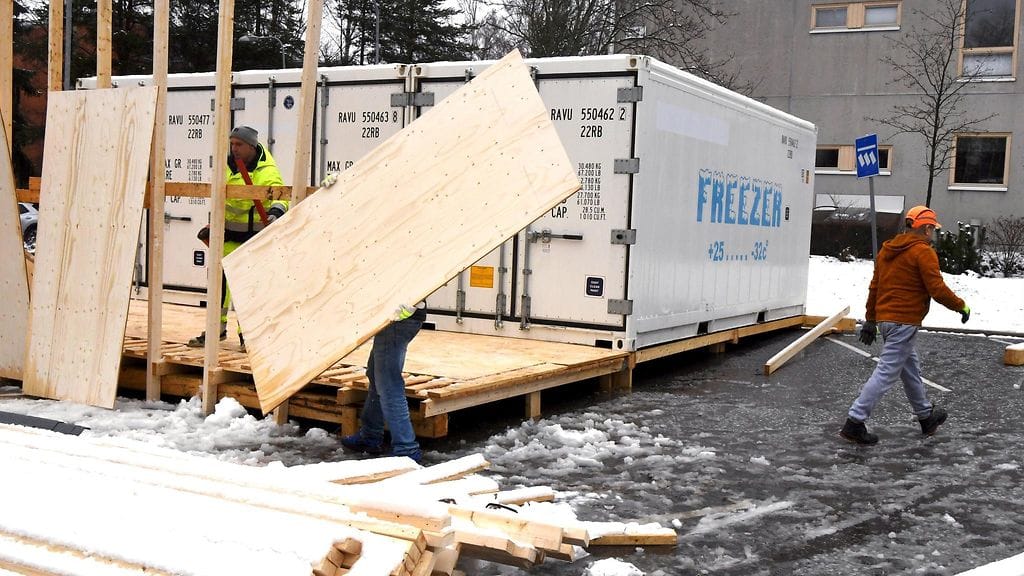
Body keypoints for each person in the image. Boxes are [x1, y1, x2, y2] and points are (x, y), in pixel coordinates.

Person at [840, 205, 970, 445]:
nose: (932, 234)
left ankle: (926, 417)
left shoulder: (888, 251)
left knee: (910, 370)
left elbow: (874, 287)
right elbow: (937, 289)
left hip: (887, 321)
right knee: (886, 373)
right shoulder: (923, 252)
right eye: (932, 229)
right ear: (926, 228)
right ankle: (854, 422)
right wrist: (961, 306)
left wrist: (871, 318)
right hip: (904, 322)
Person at [187, 126, 288, 350]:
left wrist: (274, 214)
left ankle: (248, 337)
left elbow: (281, 198)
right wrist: (212, 225)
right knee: (218, 288)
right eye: (232, 144)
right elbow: (218, 199)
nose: (234, 149)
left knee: (247, 291)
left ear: (251, 146)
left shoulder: (266, 170)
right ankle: (216, 331)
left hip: (252, 240)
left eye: (239, 145)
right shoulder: (226, 167)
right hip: (228, 238)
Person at [341, 304, 427, 463]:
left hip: (397, 320)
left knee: (389, 384)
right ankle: (370, 435)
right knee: (375, 374)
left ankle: (406, 448)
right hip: (399, 318)